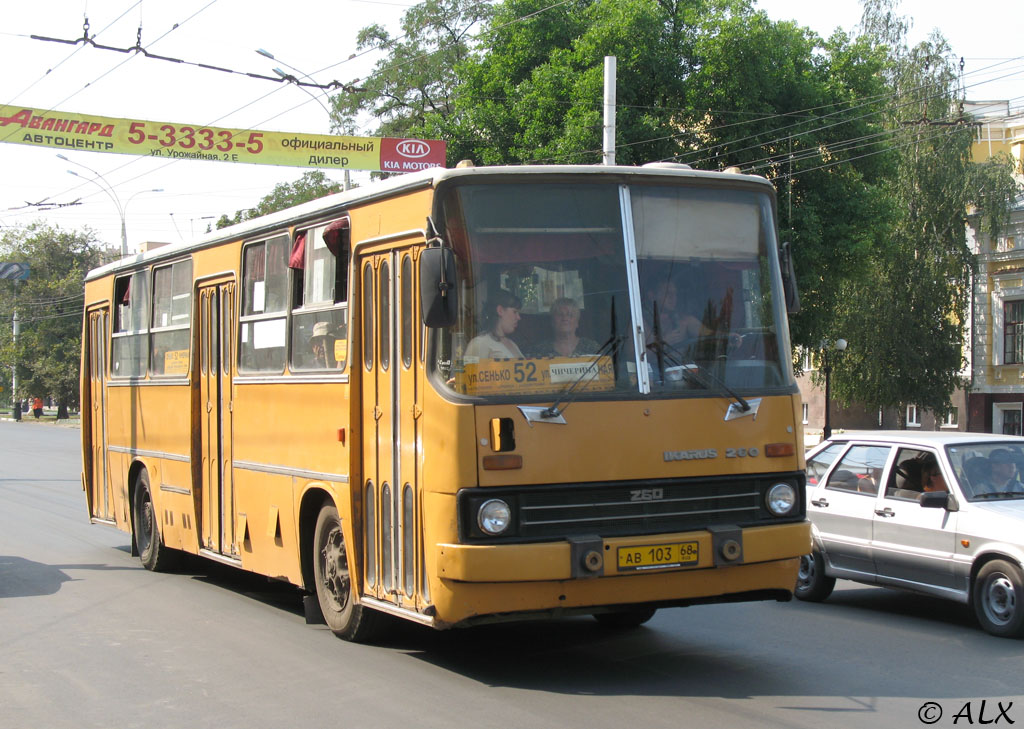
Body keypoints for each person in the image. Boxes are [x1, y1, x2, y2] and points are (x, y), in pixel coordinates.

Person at [464, 290, 524, 360]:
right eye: (515, 312)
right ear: (500, 310)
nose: (518, 317)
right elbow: (469, 370)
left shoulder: (512, 344)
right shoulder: (479, 343)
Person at [530, 298, 599, 357]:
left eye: (570, 315)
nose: (565, 318)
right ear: (552, 321)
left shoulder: (592, 348)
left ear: (577, 322)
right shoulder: (539, 351)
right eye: (560, 314)